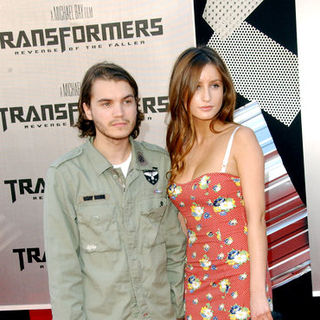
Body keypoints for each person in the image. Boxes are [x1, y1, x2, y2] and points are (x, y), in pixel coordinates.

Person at [44, 62, 186, 320]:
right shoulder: (65, 175)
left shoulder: (160, 163)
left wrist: (177, 309)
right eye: (106, 103)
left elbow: (175, 248)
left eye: (127, 101)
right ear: (87, 110)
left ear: (136, 105)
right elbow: (63, 270)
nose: (119, 112)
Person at [167, 47, 273, 320]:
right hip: (195, 277)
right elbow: (184, 221)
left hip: (238, 274)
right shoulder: (179, 147)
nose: (207, 96)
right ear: (181, 91)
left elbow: (257, 218)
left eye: (215, 85)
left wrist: (258, 294)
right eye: (197, 86)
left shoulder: (241, 138)